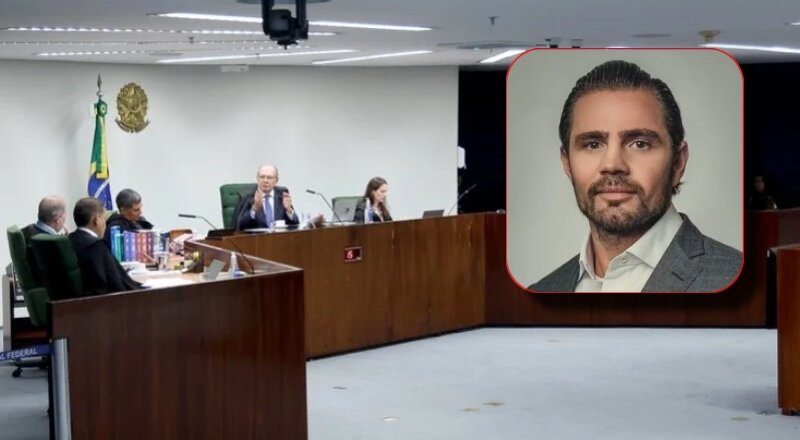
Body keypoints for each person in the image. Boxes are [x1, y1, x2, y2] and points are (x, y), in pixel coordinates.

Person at [531, 60, 741, 293]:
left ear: (678, 162)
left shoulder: (743, 282)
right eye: (593, 144)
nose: (612, 165)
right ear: (567, 163)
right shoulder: (542, 292)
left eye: (640, 144)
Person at [69, 197, 142, 295]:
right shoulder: (96, 246)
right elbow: (116, 283)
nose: (105, 224)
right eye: (103, 219)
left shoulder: (69, 240)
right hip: (107, 301)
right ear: (96, 220)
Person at [235, 164, 299, 230]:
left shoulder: (282, 196)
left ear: (276, 181)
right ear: (257, 179)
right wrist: (254, 209)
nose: (265, 181)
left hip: (279, 235)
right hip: (257, 236)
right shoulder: (247, 197)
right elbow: (239, 225)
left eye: (269, 177)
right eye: (262, 177)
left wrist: (289, 210)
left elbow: (295, 225)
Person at [21, 196, 68, 284]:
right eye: (64, 216)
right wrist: (67, 245)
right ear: (58, 220)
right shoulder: (52, 244)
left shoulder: (25, 231)